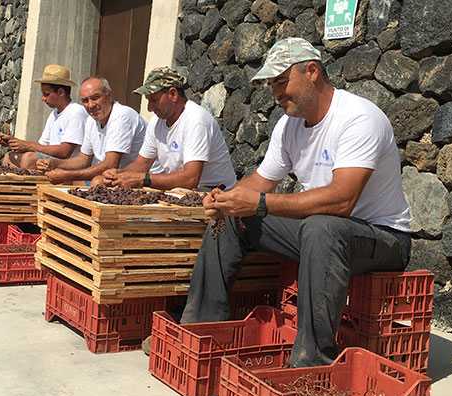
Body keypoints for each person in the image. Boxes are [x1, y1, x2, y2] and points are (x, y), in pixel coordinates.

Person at [179, 38, 413, 368]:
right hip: (321, 232)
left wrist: (258, 203)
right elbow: (260, 181)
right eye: (271, 84)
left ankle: (310, 364)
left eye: (281, 81)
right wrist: (227, 199)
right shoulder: (289, 126)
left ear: (312, 71)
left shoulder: (359, 118)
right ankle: (201, 334)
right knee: (234, 217)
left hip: (382, 238)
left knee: (322, 227)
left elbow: (342, 200)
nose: (275, 93)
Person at [94, 66, 236, 191]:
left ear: (173, 94)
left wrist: (142, 180)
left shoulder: (196, 121)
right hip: (181, 192)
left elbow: (191, 179)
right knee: (99, 182)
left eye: (153, 100)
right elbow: (141, 164)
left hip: (214, 195)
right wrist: (118, 175)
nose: (149, 108)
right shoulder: (157, 122)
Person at [37, 76, 162, 183]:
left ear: (109, 96)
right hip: (116, 176)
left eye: (95, 97)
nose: (90, 105)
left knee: (96, 182)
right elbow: (84, 159)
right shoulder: (91, 120)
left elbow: (110, 164)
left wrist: (67, 174)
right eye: (85, 100)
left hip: (137, 177)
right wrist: (54, 164)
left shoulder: (121, 116)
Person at [0, 64, 88, 170]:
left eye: (46, 94)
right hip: (51, 159)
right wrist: (15, 142)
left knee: (29, 158)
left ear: (60, 92)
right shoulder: (54, 115)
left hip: (67, 164)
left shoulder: (76, 112)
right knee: (9, 157)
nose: (43, 98)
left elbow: (65, 152)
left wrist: (28, 145)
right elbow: (42, 146)